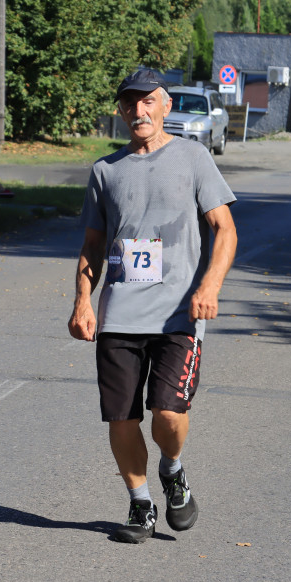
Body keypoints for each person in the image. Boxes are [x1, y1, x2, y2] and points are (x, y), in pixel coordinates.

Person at [67, 68, 237, 544]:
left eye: (148, 102)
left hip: (178, 314)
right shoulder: (106, 170)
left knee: (167, 415)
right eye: (129, 104)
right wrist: (83, 301)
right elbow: (93, 244)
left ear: (165, 106)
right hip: (119, 312)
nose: (138, 111)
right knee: (121, 417)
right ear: (120, 111)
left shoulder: (193, 157)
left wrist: (209, 287)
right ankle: (140, 504)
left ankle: (173, 469)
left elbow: (225, 229)